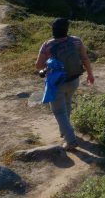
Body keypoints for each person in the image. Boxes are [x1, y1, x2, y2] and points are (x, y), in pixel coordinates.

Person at [35, 17, 94, 149]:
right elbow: (84, 58)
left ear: (53, 30)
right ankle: (65, 130)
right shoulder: (76, 41)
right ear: (67, 30)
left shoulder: (47, 45)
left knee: (59, 111)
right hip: (74, 80)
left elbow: (38, 65)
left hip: (56, 83)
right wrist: (90, 74)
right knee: (67, 104)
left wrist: (46, 67)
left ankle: (71, 141)